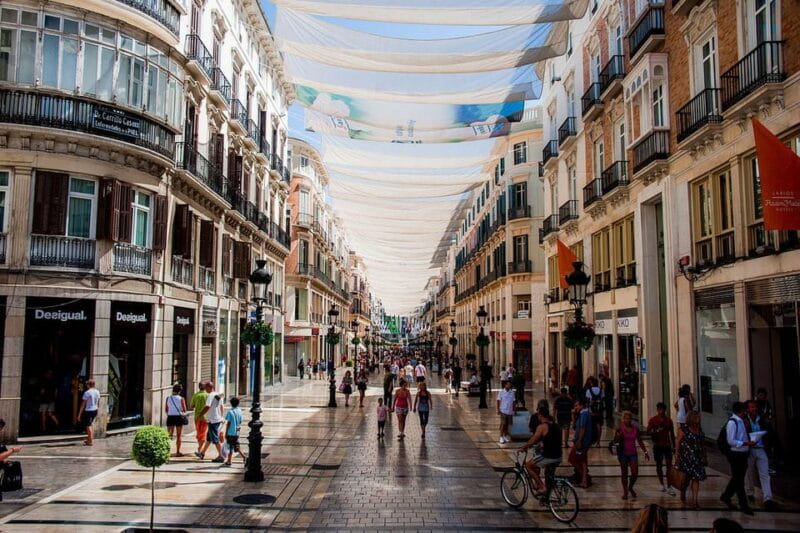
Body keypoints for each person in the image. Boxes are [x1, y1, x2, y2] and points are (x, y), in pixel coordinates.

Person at [720, 402, 754, 515]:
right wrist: (745, 443)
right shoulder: (732, 422)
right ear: (741, 411)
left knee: (737, 478)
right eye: (745, 410)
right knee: (739, 481)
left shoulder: (742, 421)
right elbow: (731, 441)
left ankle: (726, 496)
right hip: (736, 454)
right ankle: (743, 504)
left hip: (743, 453)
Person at [520, 408, 561, 494]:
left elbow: (533, 440)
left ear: (540, 415)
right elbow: (552, 440)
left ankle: (541, 486)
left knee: (528, 465)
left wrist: (524, 447)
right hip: (558, 456)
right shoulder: (555, 425)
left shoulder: (542, 427)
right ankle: (547, 498)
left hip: (548, 456)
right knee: (548, 475)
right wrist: (542, 444)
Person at [612, 410, 649, 500]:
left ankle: (630, 486)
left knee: (635, 473)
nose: (628, 420)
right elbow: (615, 441)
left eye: (629, 419)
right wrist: (618, 436)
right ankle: (625, 492)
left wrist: (645, 452)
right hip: (623, 453)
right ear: (623, 419)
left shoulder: (635, 429)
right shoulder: (620, 429)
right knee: (624, 474)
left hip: (633, 453)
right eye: (626, 419)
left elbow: (639, 441)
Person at [744, 399, 774, 510]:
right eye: (751, 407)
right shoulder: (745, 420)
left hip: (761, 448)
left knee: (765, 474)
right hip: (749, 449)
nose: (754, 409)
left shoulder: (761, 419)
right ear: (747, 409)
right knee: (749, 472)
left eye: (755, 407)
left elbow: (770, 432)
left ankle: (767, 498)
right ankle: (750, 492)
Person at [677, 410, 707, 509]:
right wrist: (677, 456)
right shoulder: (683, 429)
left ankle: (695, 500)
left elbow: (702, 444)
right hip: (686, 457)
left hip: (697, 458)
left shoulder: (700, 429)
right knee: (685, 478)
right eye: (697, 417)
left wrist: (704, 456)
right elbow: (678, 443)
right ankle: (683, 491)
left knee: (696, 478)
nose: (699, 419)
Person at [647, 402, 677, 495]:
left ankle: (669, 485)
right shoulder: (653, 420)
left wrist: (674, 446)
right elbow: (648, 431)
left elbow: (671, 434)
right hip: (658, 445)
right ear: (657, 410)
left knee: (669, 466)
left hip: (667, 445)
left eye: (662, 410)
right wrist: (656, 430)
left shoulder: (669, 421)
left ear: (665, 410)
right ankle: (661, 483)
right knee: (659, 465)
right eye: (659, 410)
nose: (661, 411)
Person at [198, 382, 225, 462]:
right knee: (209, 438)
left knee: (215, 439)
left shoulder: (210, 395)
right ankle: (202, 453)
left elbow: (207, 406)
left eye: (206, 388)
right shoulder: (217, 395)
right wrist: (221, 416)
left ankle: (221, 456)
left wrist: (200, 414)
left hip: (213, 420)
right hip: (216, 419)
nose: (205, 390)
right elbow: (221, 406)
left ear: (209, 387)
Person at [570, 397, 592, 488]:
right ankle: (584, 479)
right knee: (582, 461)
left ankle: (584, 478)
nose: (575, 408)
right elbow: (576, 427)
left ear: (582, 405)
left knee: (573, 459)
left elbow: (582, 428)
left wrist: (579, 440)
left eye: (577, 406)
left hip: (582, 442)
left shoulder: (584, 414)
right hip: (584, 441)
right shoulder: (585, 413)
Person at [165, 384, 188, 457]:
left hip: (170, 417)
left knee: (169, 435)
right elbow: (184, 410)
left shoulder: (168, 398)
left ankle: (166, 451)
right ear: (180, 391)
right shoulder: (181, 399)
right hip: (178, 417)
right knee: (178, 435)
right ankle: (177, 452)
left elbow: (166, 409)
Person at [76, 378, 100, 446]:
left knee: (88, 426)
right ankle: (89, 439)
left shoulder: (87, 393)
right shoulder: (97, 391)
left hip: (89, 411)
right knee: (90, 424)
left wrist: (79, 415)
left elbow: (83, 404)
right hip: (95, 410)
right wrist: (97, 410)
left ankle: (90, 441)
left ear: (88, 385)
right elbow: (98, 402)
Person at [223, 397, 246, 466]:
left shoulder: (230, 412)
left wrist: (226, 432)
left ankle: (229, 461)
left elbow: (228, 423)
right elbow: (241, 420)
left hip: (231, 432)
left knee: (230, 446)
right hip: (237, 431)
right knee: (235, 445)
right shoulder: (239, 410)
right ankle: (244, 457)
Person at [190, 381, 208, 455]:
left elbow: (191, 406)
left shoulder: (195, 395)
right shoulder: (207, 395)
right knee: (203, 433)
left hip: (197, 417)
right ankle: (199, 449)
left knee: (198, 433)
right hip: (205, 418)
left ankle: (199, 448)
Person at [496, 380, 515, 444]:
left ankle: (504, 435)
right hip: (503, 410)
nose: (509, 386)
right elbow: (498, 400)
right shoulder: (501, 392)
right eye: (508, 384)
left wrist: (514, 410)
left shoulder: (512, 392)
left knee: (507, 424)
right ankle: (501, 436)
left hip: (509, 411)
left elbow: (513, 401)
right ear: (505, 385)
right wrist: (498, 409)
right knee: (503, 423)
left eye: (510, 384)